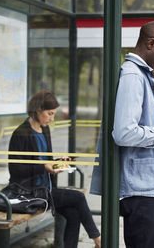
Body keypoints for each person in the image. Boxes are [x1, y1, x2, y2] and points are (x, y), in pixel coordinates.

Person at [92, 21, 154, 247]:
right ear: (150, 43)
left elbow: (136, 124)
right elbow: (124, 133)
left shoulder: (142, 75)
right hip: (142, 193)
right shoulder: (132, 76)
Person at [8, 91, 101, 248]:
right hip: (28, 192)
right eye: (49, 114)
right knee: (78, 198)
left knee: (73, 214)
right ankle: (98, 239)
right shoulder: (21, 133)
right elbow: (15, 169)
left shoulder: (44, 130)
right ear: (38, 110)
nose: (52, 118)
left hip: (45, 189)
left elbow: (47, 162)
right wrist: (44, 167)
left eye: (54, 114)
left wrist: (59, 163)